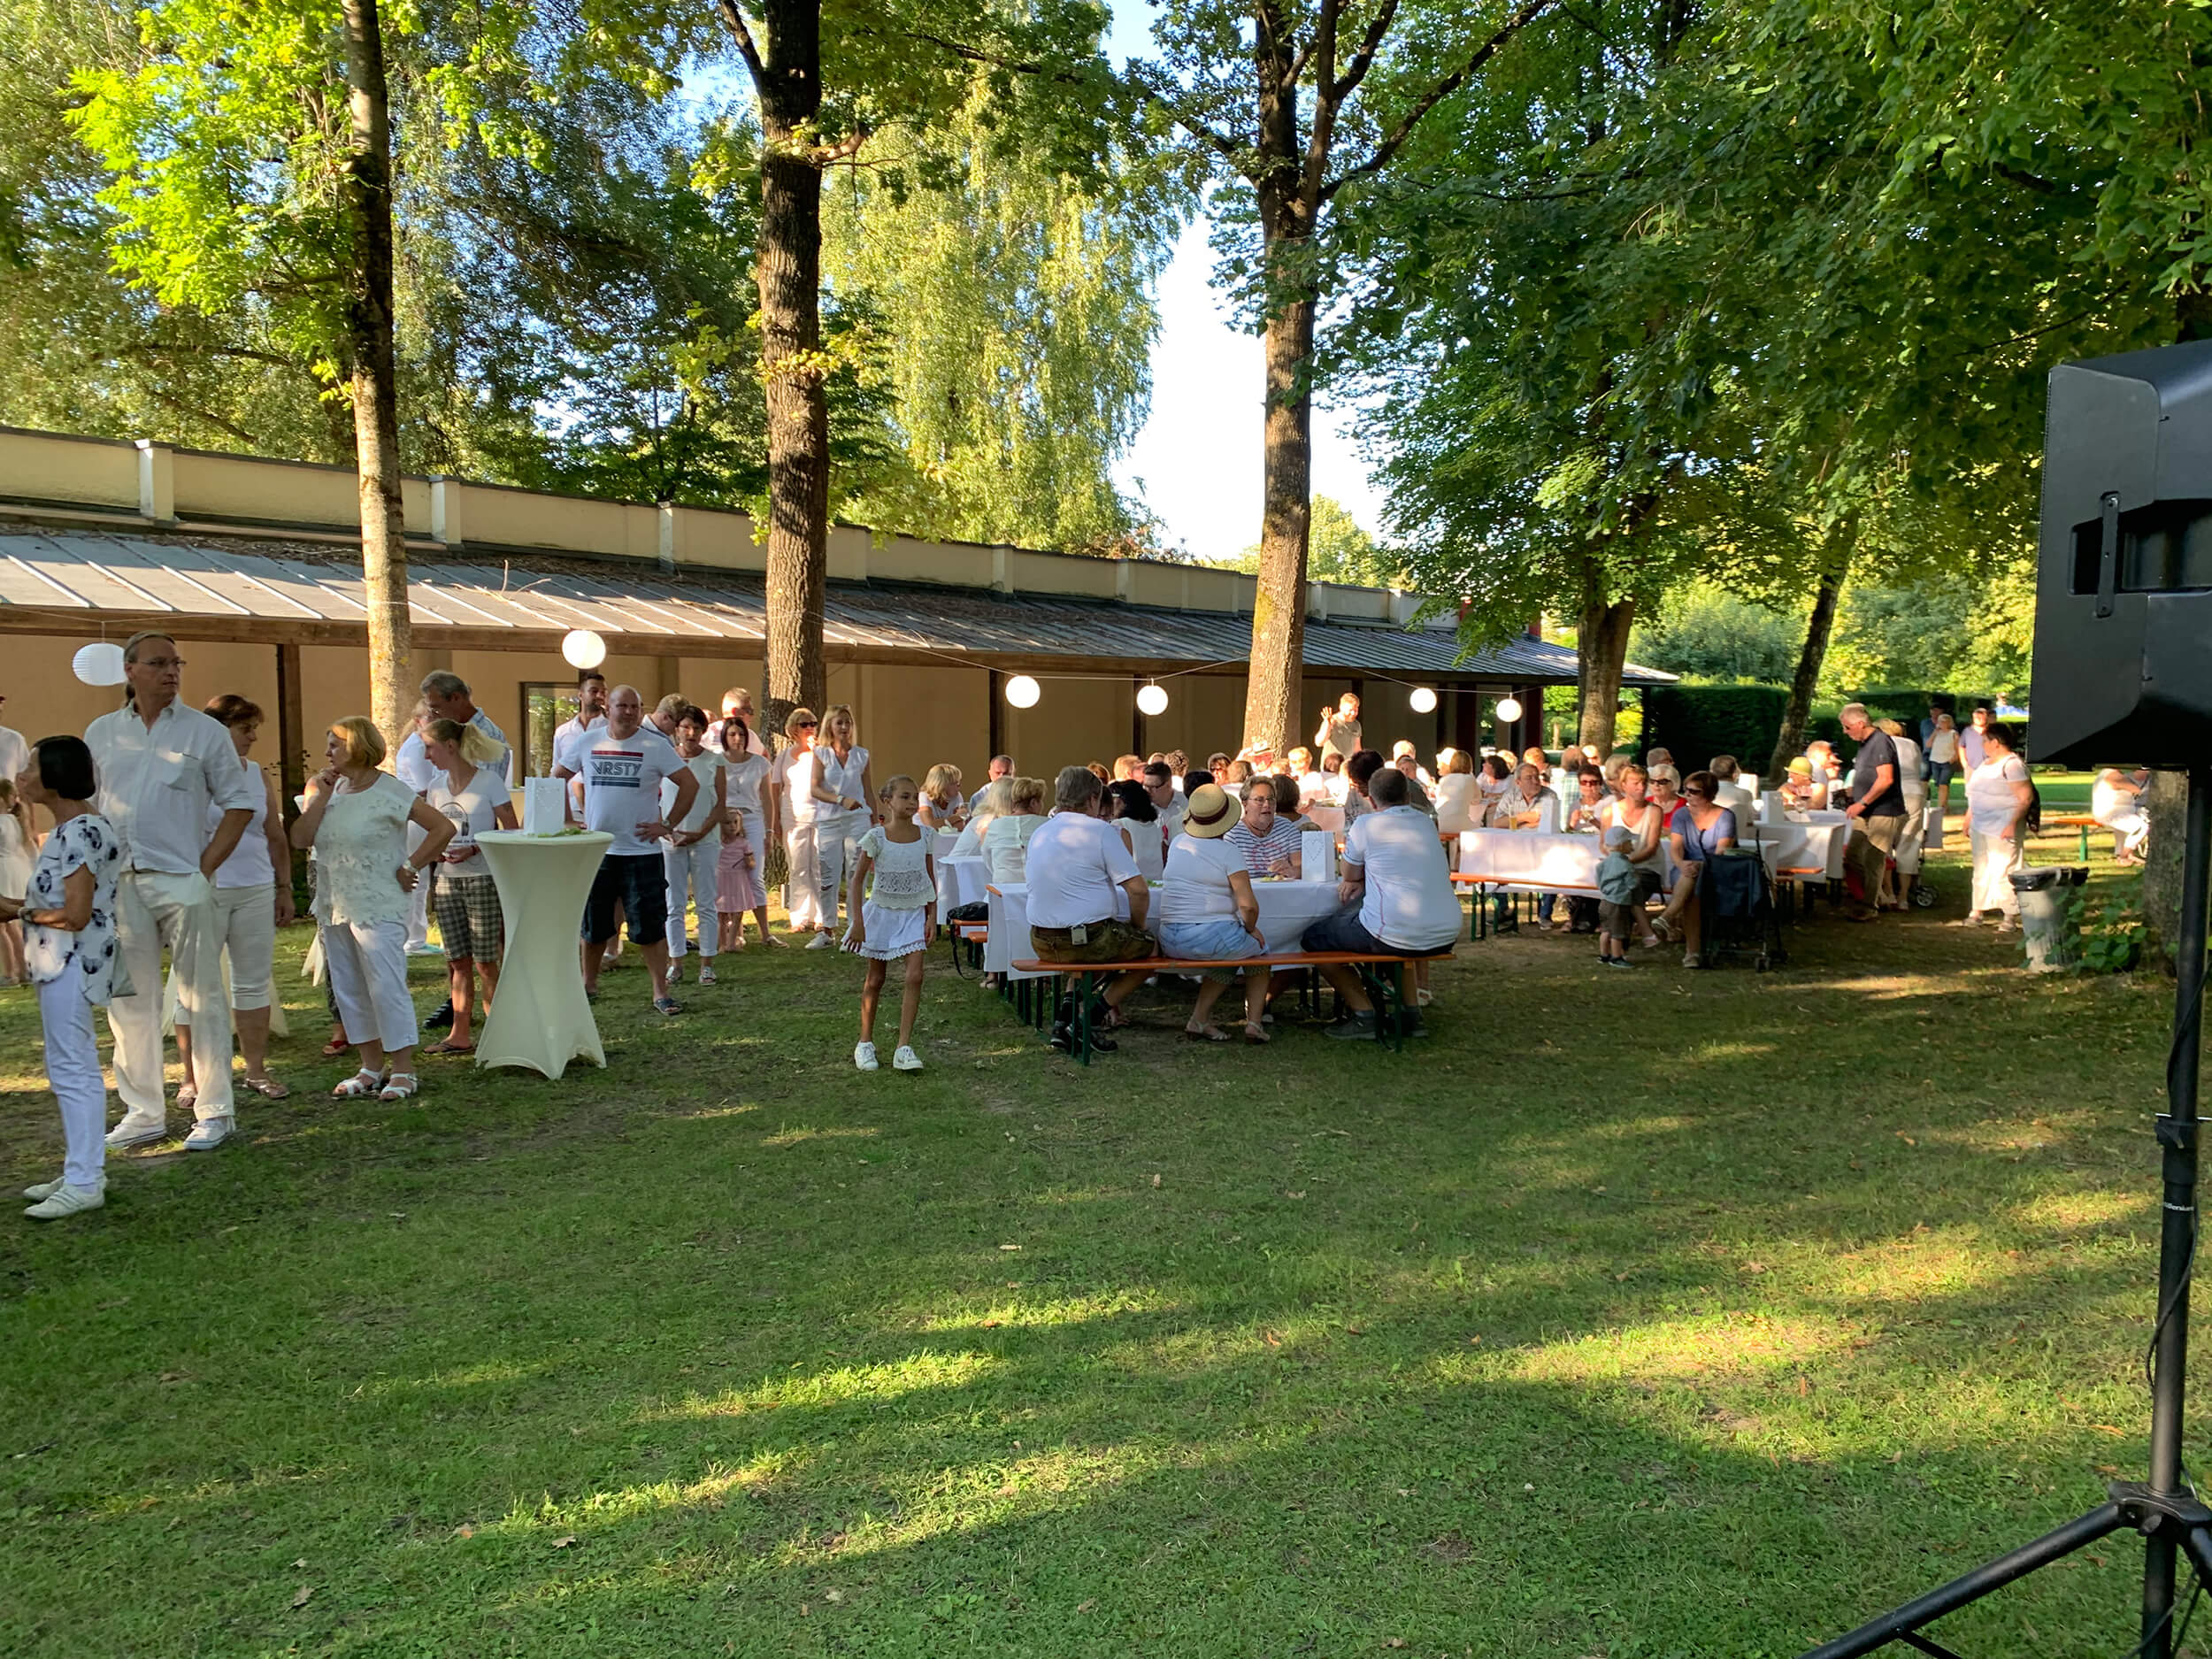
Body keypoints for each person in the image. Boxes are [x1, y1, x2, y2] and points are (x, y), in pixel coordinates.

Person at [87, 631, 260, 1152]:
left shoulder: (204, 732)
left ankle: (214, 1111)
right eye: (159, 663)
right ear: (130, 670)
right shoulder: (100, 732)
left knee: (200, 996)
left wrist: (201, 870)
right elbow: (90, 804)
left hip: (180, 879)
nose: (171, 672)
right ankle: (143, 1112)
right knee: (129, 1002)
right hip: (120, 882)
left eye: (176, 663)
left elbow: (239, 803)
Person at [292, 717, 455, 1099]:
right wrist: (320, 799)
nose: (328, 751)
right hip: (336, 903)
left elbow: (442, 828)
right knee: (349, 986)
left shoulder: (390, 790)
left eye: (336, 744)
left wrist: (411, 865)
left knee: (385, 984)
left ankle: (403, 1069)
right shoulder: (326, 789)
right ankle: (369, 1066)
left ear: (358, 746)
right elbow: (300, 838)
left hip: (379, 902)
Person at [7, 736, 123, 1217]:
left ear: (54, 776)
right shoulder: (69, 829)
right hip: (58, 961)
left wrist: (13, 909)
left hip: (72, 960)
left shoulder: (80, 831)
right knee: (65, 1067)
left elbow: (74, 914)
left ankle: (85, 1179)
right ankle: (80, 1165)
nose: (21, 776)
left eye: (30, 767)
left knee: (74, 1069)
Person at [173, 695, 294, 1102]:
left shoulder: (257, 774)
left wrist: (284, 887)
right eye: (245, 729)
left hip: (255, 887)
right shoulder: (190, 774)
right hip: (203, 891)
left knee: (253, 981)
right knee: (193, 983)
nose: (253, 737)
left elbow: (274, 836)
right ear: (218, 730)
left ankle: (255, 1070)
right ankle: (192, 1077)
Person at [1301, 768, 1459, 1035]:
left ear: (1372, 801)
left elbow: (1349, 873)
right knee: (1397, 944)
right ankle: (1411, 1015)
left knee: (1313, 940)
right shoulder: (1426, 823)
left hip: (1395, 930)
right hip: (1447, 929)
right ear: (1408, 796)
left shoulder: (1366, 824)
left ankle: (1365, 1014)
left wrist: (1358, 878)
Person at [568, 686, 697, 1010]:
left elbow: (689, 784)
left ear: (641, 711)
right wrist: (567, 821)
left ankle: (660, 991)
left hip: (642, 852)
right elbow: (556, 777)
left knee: (650, 925)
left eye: (634, 707)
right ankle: (587, 985)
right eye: (621, 705)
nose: (627, 712)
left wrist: (666, 824)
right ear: (607, 708)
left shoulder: (655, 746)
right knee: (595, 924)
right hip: (599, 850)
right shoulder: (587, 742)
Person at [1025, 765, 1156, 1054]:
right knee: (1151, 951)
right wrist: (1138, 927)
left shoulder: (1040, 833)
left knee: (1089, 950)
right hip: (1088, 939)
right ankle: (1088, 1019)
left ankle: (1063, 1022)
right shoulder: (1100, 831)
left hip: (1041, 940)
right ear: (1094, 798)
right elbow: (1138, 890)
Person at [420, 714, 516, 1052]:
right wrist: (433, 857)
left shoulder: (489, 782)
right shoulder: (435, 788)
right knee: (457, 960)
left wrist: (475, 847)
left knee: (484, 960)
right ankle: (459, 1035)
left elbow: (511, 829)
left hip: (483, 879)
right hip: (446, 882)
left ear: (450, 746)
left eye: (430, 748)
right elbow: (434, 832)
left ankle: (498, 1032)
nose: (426, 756)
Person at [1158, 782, 1272, 1043]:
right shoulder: (1228, 851)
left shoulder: (1177, 843)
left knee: (1231, 955)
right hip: (1210, 937)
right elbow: (1249, 905)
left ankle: (1199, 1020)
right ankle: (1254, 1023)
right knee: (1260, 955)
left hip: (1169, 938)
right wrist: (1250, 928)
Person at [845, 775, 936, 1072]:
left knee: (915, 976)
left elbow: (930, 877)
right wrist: (858, 923)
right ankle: (865, 1042)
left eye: (915, 797)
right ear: (888, 801)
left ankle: (904, 1046)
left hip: (913, 913)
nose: (911, 803)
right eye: (904, 797)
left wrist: (932, 915)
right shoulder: (877, 837)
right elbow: (857, 881)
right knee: (876, 979)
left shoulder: (924, 836)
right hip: (882, 912)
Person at [661, 705, 726, 987]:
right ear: (677, 729)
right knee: (674, 903)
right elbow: (654, 797)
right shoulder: (665, 759)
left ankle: (707, 964)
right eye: (686, 727)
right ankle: (675, 962)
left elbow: (720, 805)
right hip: (671, 841)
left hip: (705, 841)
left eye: (697, 729)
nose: (691, 734)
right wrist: (665, 829)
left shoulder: (715, 762)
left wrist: (700, 833)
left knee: (706, 902)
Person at [714, 712, 781, 951]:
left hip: (752, 819)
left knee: (754, 875)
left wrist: (770, 830)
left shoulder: (760, 763)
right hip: (724, 820)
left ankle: (765, 933)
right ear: (725, 737)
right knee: (724, 876)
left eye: (741, 734)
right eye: (732, 734)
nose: (738, 738)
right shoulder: (716, 761)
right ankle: (728, 935)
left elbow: (768, 799)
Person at [1957, 722, 2032, 932]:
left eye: (1985, 741)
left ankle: (2009, 915)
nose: (1983, 745)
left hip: (2003, 825)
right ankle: (1978, 910)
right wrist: (1968, 818)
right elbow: (1976, 794)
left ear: (1996, 742)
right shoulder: (1985, 764)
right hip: (1981, 824)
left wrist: (2011, 823)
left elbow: (2025, 798)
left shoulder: (2012, 765)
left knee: (2005, 869)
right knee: (1981, 868)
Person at [810, 704, 876, 939]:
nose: (844, 727)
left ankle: (855, 925)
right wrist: (840, 799)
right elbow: (815, 788)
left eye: (848, 723)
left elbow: (868, 790)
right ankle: (827, 928)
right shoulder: (821, 753)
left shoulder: (861, 755)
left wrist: (875, 822)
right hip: (829, 821)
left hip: (857, 819)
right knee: (828, 874)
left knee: (856, 872)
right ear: (830, 725)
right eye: (839, 723)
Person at [1838, 703, 1906, 923]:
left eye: (1847, 727)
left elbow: (1886, 779)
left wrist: (1862, 803)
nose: (1845, 732)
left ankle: (1870, 905)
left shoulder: (1880, 742)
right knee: (1853, 856)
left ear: (1860, 724)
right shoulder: (1866, 743)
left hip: (1883, 810)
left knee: (1874, 857)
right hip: (1866, 810)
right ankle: (1878, 896)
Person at [1663, 770, 1738, 969]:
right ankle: (1691, 952)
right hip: (1686, 868)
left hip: (1715, 868)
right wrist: (1681, 864)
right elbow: (1676, 848)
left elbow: (1722, 851)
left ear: (1709, 794)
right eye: (1685, 790)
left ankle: (1670, 920)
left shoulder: (1726, 816)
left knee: (1695, 879)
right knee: (1692, 887)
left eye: (1693, 792)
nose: (1687, 795)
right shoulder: (1681, 815)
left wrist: (1697, 865)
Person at [1483, 761, 1560, 933]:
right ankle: (1503, 909)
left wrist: (1516, 822)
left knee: (1554, 868)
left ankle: (1545, 914)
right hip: (1514, 849)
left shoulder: (1550, 797)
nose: (1535, 781)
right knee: (1491, 863)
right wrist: (1524, 817)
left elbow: (1550, 824)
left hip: (1543, 850)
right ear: (1518, 782)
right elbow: (1497, 823)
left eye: (1536, 777)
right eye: (1529, 778)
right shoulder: (1510, 795)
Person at [1595, 763, 1666, 949]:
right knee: (1622, 889)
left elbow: (1651, 847)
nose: (1641, 787)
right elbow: (1603, 844)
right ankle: (1639, 935)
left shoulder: (1655, 811)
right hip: (1619, 867)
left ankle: (1616, 942)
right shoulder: (1610, 811)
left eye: (1644, 783)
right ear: (1623, 785)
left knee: (1626, 889)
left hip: (1646, 867)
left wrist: (1624, 862)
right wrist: (1618, 862)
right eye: (1635, 783)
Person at [770, 708, 825, 940]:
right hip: (792, 817)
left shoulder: (822, 754)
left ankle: (823, 917)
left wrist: (817, 751)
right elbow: (775, 789)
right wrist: (775, 821)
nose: (810, 727)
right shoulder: (783, 757)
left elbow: (830, 781)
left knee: (820, 867)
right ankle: (800, 917)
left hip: (820, 816)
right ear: (793, 729)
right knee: (798, 868)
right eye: (804, 724)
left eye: (812, 723)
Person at [1879, 718, 1928, 909]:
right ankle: (1904, 898)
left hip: (1891, 794)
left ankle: (1889, 892)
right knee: (1909, 845)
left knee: (1883, 843)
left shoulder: (1881, 744)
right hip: (1914, 794)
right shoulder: (1912, 745)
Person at [1225, 774, 1302, 878]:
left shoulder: (1286, 827)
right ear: (1245, 804)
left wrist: (1292, 871)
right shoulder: (1233, 835)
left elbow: (1302, 867)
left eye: (1271, 799)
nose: (1267, 805)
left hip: (1284, 892)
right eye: (1259, 800)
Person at [981, 775, 1048, 886]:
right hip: (1037, 889)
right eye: (1040, 801)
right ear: (1033, 803)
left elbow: (987, 857)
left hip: (1002, 891)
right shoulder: (1045, 824)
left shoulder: (995, 825)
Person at [1594, 826, 1641, 971]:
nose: (1632, 846)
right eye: (1630, 843)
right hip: (1619, 902)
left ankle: (1604, 954)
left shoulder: (1603, 863)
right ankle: (1616, 957)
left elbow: (1598, 881)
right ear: (1622, 845)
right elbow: (1632, 883)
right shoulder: (1626, 864)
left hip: (1605, 900)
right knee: (1618, 931)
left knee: (1606, 930)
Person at [1105, 778, 1166, 882]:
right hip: (1157, 885)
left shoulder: (1120, 824)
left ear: (1121, 801)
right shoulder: (1155, 827)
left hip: (1133, 885)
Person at [0, 777, 29, 986]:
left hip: (3, 872)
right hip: (12, 869)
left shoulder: (2, 822)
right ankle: (22, 970)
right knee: (11, 925)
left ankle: (11, 973)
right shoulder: (13, 821)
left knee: (4, 926)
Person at [2093, 767, 2151, 864]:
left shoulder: (2113, 774)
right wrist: (2135, 787)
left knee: (2122, 829)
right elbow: (2131, 787)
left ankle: (2122, 853)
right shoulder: (2111, 775)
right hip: (2112, 812)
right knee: (2141, 827)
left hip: (2121, 811)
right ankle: (2124, 855)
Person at [1924, 710, 1960, 849]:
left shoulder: (1953, 734)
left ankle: (1941, 806)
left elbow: (1957, 748)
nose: (1942, 724)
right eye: (1940, 722)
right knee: (1938, 783)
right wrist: (1935, 732)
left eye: (1944, 722)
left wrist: (1955, 757)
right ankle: (1944, 804)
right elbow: (1928, 745)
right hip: (1935, 760)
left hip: (1947, 761)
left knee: (1944, 784)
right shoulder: (1937, 733)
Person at [553, 669, 608, 756]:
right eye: (594, 691)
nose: (599, 695)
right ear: (580, 695)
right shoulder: (562, 731)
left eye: (603, 692)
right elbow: (557, 766)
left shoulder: (612, 730)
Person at [705, 687, 769, 757]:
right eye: (749, 711)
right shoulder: (710, 732)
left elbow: (765, 756)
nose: (752, 715)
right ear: (735, 711)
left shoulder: (751, 736)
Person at [1432, 749, 1479, 836]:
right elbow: (1477, 799)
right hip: (1460, 824)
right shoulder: (1470, 779)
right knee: (1479, 827)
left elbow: (1439, 797)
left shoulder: (1443, 779)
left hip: (1439, 823)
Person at [1141, 759, 1187, 840]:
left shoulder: (1186, 803)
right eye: (1145, 786)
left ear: (1168, 784)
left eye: (1152, 787)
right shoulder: (1142, 808)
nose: (1147, 791)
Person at [1340, 749, 1386, 827]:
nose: (1358, 790)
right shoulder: (1353, 795)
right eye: (1354, 785)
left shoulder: (1392, 795)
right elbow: (1348, 828)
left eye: (1361, 785)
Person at [1313, 693, 1363, 763]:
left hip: (1347, 768)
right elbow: (1319, 743)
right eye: (1350, 710)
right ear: (1341, 708)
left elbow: (1357, 748)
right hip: (1330, 768)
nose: (1353, 713)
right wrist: (1328, 726)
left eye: (1356, 710)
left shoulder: (1356, 724)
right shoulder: (1331, 720)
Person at [918, 763, 966, 831]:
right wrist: (955, 817)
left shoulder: (957, 796)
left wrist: (942, 823)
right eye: (954, 783)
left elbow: (960, 825)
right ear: (941, 785)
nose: (959, 785)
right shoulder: (924, 797)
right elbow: (929, 824)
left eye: (959, 782)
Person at [1958, 704, 1994, 774]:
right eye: (1976, 717)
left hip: (1989, 766)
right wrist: (1964, 763)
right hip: (1971, 766)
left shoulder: (1991, 731)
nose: (1978, 719)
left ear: (1986, 718)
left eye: (1981, 717)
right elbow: (1961, 747)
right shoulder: (1967, 731)